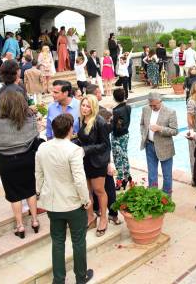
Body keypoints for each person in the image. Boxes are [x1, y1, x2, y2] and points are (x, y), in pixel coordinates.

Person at [35, 114, 94, 283]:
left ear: (53, 130)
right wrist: (86, 200)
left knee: (58, 242)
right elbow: (79, 179)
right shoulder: (74, 150)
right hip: (73, 203)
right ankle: (80, 278)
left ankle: (58, 279)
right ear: (70, 130)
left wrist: (38, 192)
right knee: (78, 242)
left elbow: (38, 174)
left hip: (53, 204)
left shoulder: (42, 148)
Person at [0, 91, 41, 238]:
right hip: (27, 159)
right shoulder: (29, 119)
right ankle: (35, 221)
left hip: (7, 161)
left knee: (14, 194)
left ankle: (20, 226)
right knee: (30, 189)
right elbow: (34, 137)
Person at [77, 95, 111, 237]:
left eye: (88, 106)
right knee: (87, 191)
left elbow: (105, 145)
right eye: (83, 105)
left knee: (99, 190)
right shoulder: (81, 120)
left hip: (97, 161)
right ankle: (91, 217)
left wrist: (86, 149)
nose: (84, 108)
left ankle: (103, 218)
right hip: (84, 161)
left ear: (93, 107)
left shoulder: (100, 122)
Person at [140, 92, 178, 194]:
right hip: (149, 146)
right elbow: (142, 124)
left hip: (165, 147)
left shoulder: (170, 112)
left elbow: (175, 131)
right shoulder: (145, 109)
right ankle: (153, 196)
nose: (152, 107)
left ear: (160, 102)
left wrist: (160, 128)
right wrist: (144, 134)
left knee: (167, 174)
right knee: (152, 174)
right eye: (150, 105)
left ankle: (166, 197)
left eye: (155, 105)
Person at [111, 88, 132, 190]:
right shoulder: (128, 107)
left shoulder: (116, 111)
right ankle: (127, 177)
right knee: (124, 155)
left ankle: (119, 181)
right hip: (126, 135)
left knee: (117, 158)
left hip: (117, 137)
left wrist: (111, 122)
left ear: (114, 98)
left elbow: (117, 126)